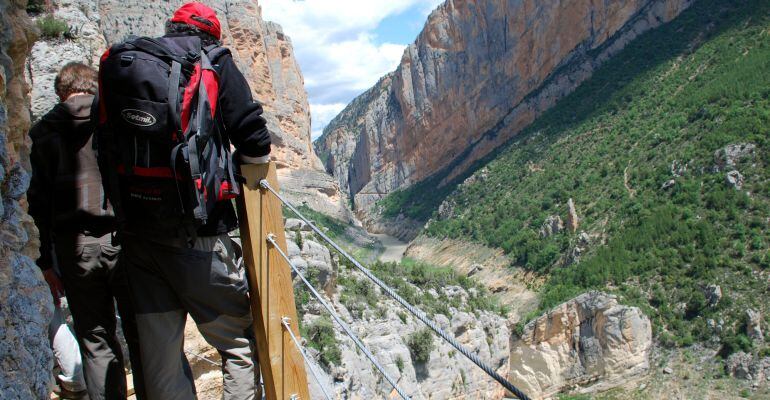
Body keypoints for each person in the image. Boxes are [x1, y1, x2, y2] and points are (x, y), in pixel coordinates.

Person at [95, 3, 271, 399]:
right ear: (213, 34)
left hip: (138, 238)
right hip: (199, 236)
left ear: (171, 27)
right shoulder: (213, 61)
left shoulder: (125, 63)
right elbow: (255, 138)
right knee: (240, 345)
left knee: (161, 366)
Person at [28, 62, 146, 400]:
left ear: (61, 92)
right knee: (143, 335)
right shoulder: (112, 121)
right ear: (92, 86)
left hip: (73, 249)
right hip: (124, 242)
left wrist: (44, 265)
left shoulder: (41, 133)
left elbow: (35, 203)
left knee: (96, 342)